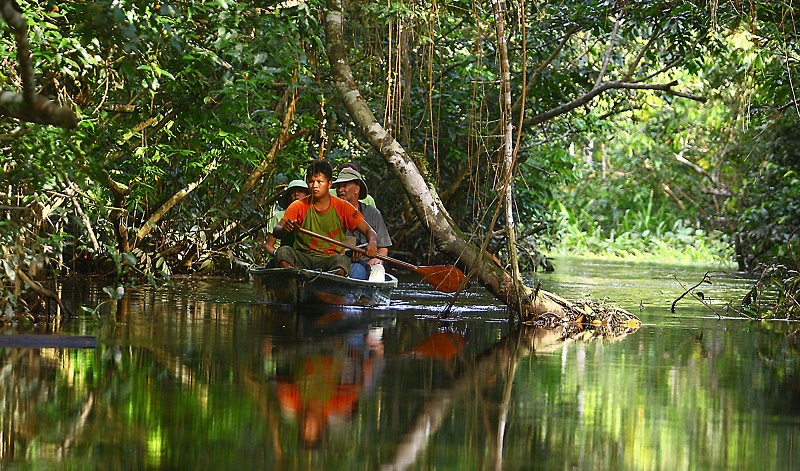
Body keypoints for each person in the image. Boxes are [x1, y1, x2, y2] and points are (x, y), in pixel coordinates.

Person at [273, 161, 378, 276]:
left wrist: (372, 242)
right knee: (283, 252)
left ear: (329, 184)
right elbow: (277, 230)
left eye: (320, 182)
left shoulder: (342, 206)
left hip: (330, 259)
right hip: (303, 257)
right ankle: (295, 280)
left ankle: (328, 287)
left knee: (342, 261)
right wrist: (284, 229)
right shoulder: (298, 205)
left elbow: (369, 231)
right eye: (311, 182)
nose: (315, 186)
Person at [331, 167, 391, 281]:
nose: (340, 190)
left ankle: (371, 298)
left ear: (357, 189)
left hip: (366, 263)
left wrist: (378, 259)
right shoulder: (330, 213)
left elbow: (383, 247)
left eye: (345, 186)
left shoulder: (372, 213)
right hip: (338, 263)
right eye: (338, 186)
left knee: (378, 269)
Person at [265, 179, 309, 259]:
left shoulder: (312, 215)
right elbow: (269, 245)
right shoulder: (279, 216)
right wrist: (278, 254)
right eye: (293, 192)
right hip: (283, 255)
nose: (296, 194)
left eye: (300, 191)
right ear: (288, 198)